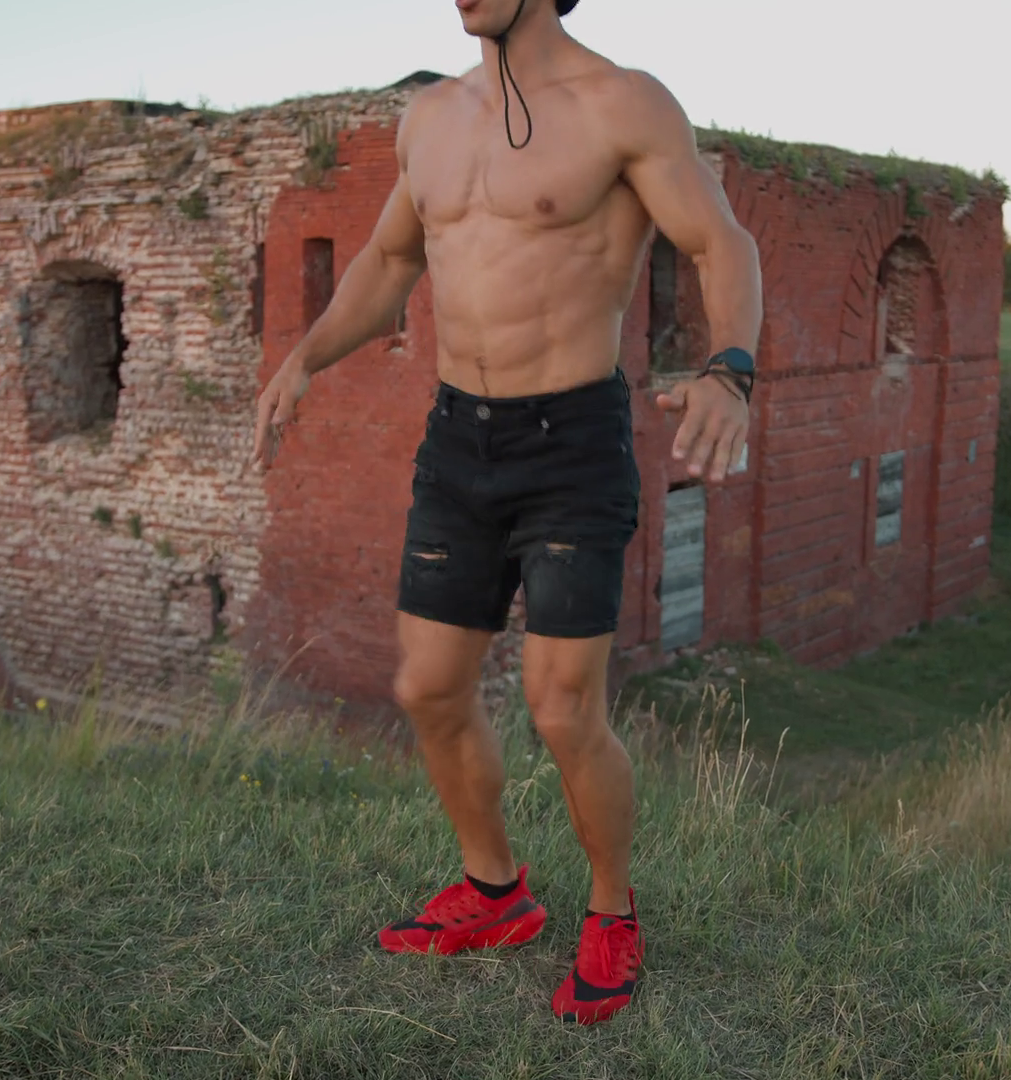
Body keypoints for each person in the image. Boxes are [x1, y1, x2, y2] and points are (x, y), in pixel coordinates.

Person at [251, 0, 762, 1026]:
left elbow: (721, 243)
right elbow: (390, 261)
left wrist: (730, 370)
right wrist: (305, 356)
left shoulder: (623, 103)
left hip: (571, 444)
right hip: (458, 441)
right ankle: (496, 891)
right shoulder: (430, 116)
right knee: (429, 687)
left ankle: (611, 911)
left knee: (563, 708)